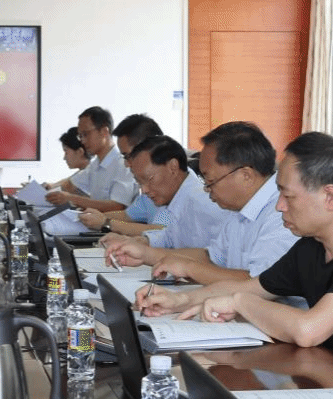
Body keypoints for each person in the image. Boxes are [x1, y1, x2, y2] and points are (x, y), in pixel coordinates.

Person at [137, 132, 333, 396]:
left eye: (288, 195)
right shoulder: (313, 246)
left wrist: (238, 302)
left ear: (329, 196)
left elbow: (308, 330)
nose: (279, 205)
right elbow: (252, 286)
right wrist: (179, 300)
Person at [102, 122, 297, 286]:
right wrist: (146, 254)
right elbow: (212, 257)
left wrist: (188, 269)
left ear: (245, 175)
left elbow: (260, 284)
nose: (206, 189)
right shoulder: (239, 209)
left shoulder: (282, 214)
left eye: (210, 181)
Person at [102, 134, 231, 253]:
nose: (144, 190)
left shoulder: (205, 205)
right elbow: (171, 236)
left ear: (173, 167)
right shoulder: (179, 199)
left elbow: (211, 257)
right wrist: (141, 241)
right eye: (139, 182)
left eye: (149, 179)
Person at [79, 113, 170, 236]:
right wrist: (94, 217)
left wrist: (106, 223)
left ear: (149, 149)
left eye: (128, 156)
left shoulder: (172, 182)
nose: (127, 164)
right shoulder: (149, 186)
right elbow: (127, 215)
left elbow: (162, 231)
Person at [44, 106, 135, 212]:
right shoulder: (95, 164)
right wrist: (47, 189)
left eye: (85, 134)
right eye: (80, 136)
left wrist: (71, 198)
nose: (82, 140)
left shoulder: (123, 164)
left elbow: (117, 206)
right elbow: (70, 184)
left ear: (104, 132)